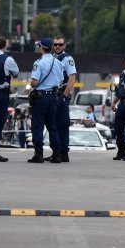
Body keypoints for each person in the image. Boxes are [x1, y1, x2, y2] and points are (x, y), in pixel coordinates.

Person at [27, 37, 63, 164]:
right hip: (53, 97)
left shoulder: (39, 63)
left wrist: (31, 84)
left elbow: (35, 82)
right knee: (52, 125)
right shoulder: (57, 62)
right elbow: (60, 81)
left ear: (42, 48)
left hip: (40, 98)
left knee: (38, 125)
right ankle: (57, 155)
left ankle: (39, 154)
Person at [48, 35, 76, 163]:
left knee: (63, 124)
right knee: (52, 124)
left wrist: (64, 96)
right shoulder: (51, 58)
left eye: (60, 44)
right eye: (56, 44)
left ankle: (64, 152)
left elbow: (72, 79)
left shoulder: (67, 59)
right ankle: (56, 151)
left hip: (62, 95)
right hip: (52, 95)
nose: (58, 47)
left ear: (64, 46)